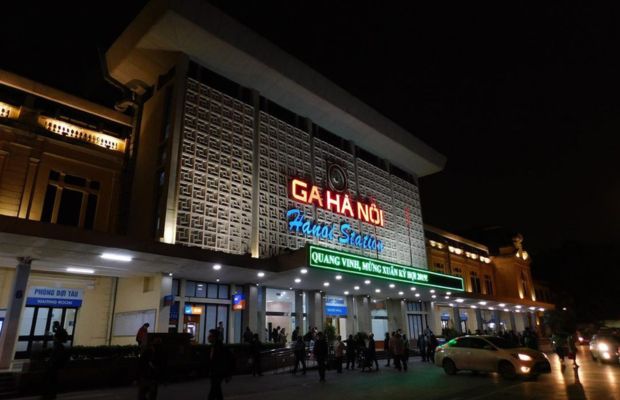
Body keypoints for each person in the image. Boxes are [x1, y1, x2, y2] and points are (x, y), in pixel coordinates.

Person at [43, 321, 69, 399]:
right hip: (55, 367)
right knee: (52, 382)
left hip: (53, 368)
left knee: (51, 382)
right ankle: (51, 395)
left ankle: (50, 395)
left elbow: (55, 358)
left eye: (54, 325)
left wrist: (50, 363)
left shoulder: (58, 347)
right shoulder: (60, 346)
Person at [207, 329, 234, 400]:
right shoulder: (213, 347)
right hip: (214, 373)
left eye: (210, 335)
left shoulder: (220, 348)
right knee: (217, 391)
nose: (208, 337)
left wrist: (227, 374)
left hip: (218, 373)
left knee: (213, 391)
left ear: (214, 337)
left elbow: (224, 361)